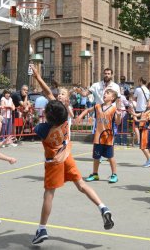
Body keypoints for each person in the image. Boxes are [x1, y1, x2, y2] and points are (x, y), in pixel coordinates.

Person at [31, 100, 114, 244]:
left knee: (49, 194)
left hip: (54, 161)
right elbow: (54, 105)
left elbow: (36, 125)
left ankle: (42, 229)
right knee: (81, 185)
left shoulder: (42, 129)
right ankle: (102, 207)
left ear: (48, 116)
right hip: (67, 156)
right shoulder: (65, 122)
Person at [75, 89, 122, 183]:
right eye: (104, 93)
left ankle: (114, 174)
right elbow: (88, 110)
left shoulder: (114, 109)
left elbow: (118, 122)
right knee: (96, 157)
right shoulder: (97, 106)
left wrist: (119, 116)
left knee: (110, 157)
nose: (105, 94)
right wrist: (80, 116)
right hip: (98, 137)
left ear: (112, 98)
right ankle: (95, 174)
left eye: (107, 93)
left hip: (108, 137)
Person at [30, 65, 74, 137]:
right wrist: (38, 77)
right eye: (59, 94)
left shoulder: (62, 107)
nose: (59, 95)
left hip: (61, 136)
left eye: (62, 94)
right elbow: (48, 93)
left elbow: (48, 93)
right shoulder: (58, 105)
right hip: (58, 137)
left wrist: (38, 77)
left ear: (67, 97)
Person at [129, 98, 150, 167]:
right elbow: (137, 114)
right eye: (148, 101)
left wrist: (137, 120)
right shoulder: (145, 111)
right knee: (149, 147)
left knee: (143, 147)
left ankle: (149, 160)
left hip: (145, 130)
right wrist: (132, 112)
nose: (148, 102)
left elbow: (146, 119)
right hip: (145, 130)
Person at [133, 77, 150, 146]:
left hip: (138, 109)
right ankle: (144, 140)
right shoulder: (148, 90)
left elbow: (134, 98)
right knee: (144, 126)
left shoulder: (138, 89)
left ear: (140, 81)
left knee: (136, 126)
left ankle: (139, 140)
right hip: (145, 109)